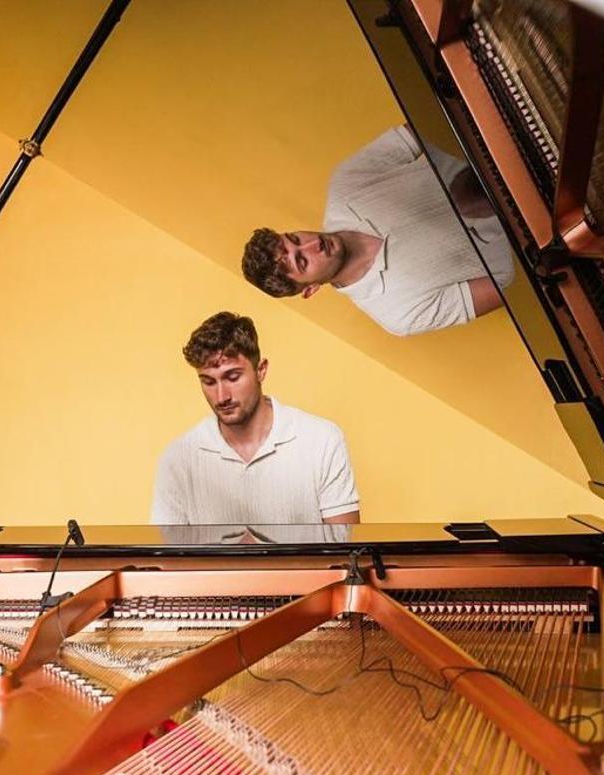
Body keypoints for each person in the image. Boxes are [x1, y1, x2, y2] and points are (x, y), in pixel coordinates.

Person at [241, 126, 514, 337]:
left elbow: (424, 124)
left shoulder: (346, 183)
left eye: (295, 239)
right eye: (302, 261)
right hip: (541, 230)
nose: (314, 245)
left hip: (506, 147)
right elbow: (510, 291)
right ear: (310, 289)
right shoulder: (398, 314)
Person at [150, 311, 360, 525]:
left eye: (233, 377)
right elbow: (170, 556)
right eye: (208, 382)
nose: (221, 397)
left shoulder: (321, 439)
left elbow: (349, 551)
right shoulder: (178, 458)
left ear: (261, 370)